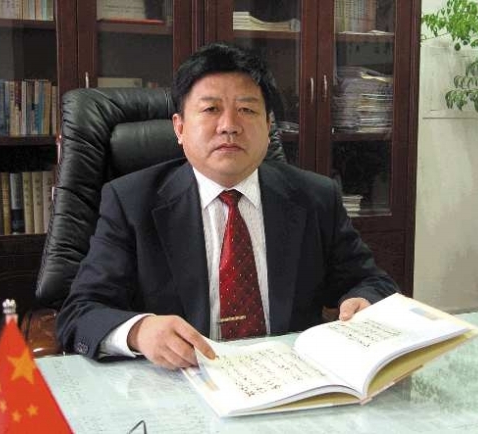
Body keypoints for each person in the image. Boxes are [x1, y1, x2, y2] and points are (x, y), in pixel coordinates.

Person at [56, 42, 398, 370]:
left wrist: (364, 303)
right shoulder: (132, 202)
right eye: (211, 109)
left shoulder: (315, 197)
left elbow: (373, 282)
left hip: (290, 383)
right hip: (180, 383)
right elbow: (79, 314)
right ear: (179, 128)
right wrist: (139, 331)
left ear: (268, 127)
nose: (229, 126)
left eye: (247, 110)